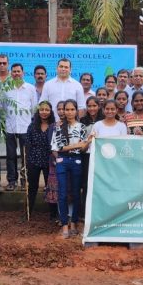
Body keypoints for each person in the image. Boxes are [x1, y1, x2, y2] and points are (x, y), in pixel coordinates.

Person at [51, 99, 88, 238]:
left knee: (76, 192)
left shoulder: (82, 127)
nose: (69, 112)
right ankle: (64, 224)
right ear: (63, 111)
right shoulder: (58, 127)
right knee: (62, 193)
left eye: (72, 109)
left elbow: (84, 148)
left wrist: (87, 142)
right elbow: (59, 148)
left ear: (76, 111)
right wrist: (78, 145)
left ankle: (74, 222)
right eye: (67, 109)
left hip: (77, 160)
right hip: (62, 160)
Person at [4, 63, 36, 191]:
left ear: (23, 73)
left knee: (26, 156)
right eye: (14, 71)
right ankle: (12, 181)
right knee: (10, 156)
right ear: (11, 73)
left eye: (18, 71)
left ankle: (25, 180)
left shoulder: (30, 88)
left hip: (26, 127)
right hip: (10, 127)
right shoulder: (5, 88)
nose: (16, 73)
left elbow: (34, 108)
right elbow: (3, 108)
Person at [26, 101, 58, 220]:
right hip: (34, 160)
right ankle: (28, 212)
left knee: (51, 187)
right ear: (38, 111)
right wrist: (28, 161)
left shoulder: (55, 126)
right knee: (32, 187)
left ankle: (53, 215)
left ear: (51, 111)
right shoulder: (32, 125)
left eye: (47, 110)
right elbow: (28, 143)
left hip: (49, 160)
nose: (44, 112)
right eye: (42, 109)